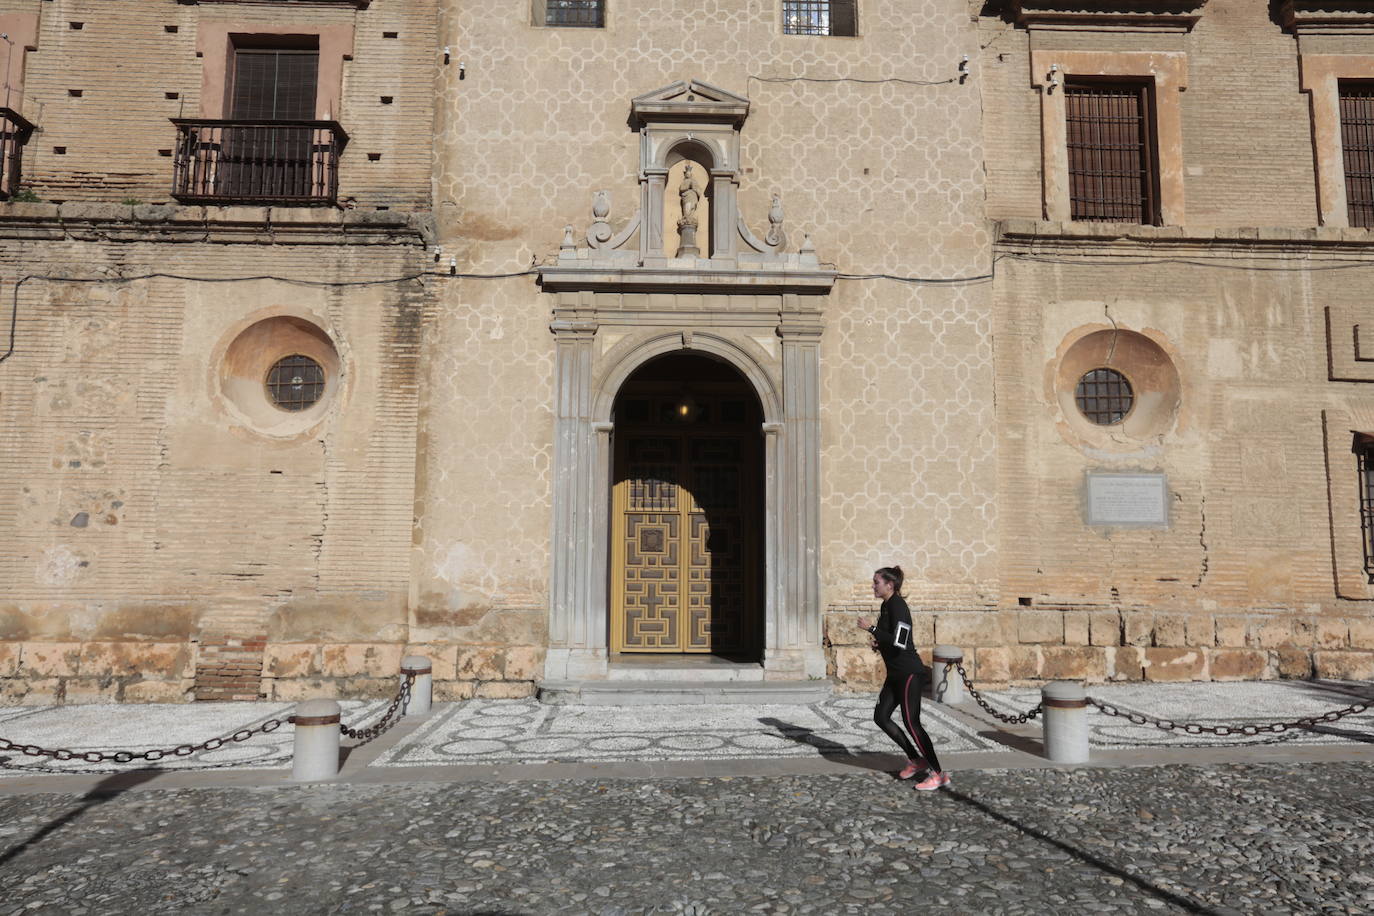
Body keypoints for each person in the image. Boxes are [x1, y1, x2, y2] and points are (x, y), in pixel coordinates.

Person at [856, 566, 950, 791]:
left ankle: (939, 774)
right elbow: (892, 638)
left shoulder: (898, 605)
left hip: (909, 672)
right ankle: (916, 760)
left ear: (890, 585)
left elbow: (900, 640)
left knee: (911, 722)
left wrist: (872, 629)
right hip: (895, 673)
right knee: (881, 716)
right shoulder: (886, 605)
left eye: (876, 582)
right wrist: (879, 642)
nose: (873, 586)